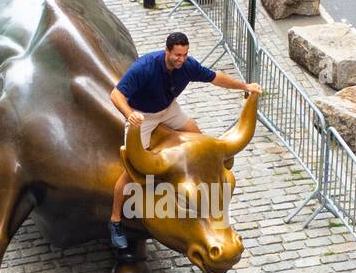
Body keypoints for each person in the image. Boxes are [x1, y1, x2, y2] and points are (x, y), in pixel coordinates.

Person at [108, 31, 261, 249]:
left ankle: (203, 194)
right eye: (177, 55)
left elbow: (215, 77)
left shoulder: (187, 66)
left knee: (199, 143)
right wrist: (129, 115)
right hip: (143, 116)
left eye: (185, 55)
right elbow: (116, 94)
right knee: (131, 170)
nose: (181, 59)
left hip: (169, 110)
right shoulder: (145, 67)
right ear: (167, 51)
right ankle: (115, 222)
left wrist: (245, 87)